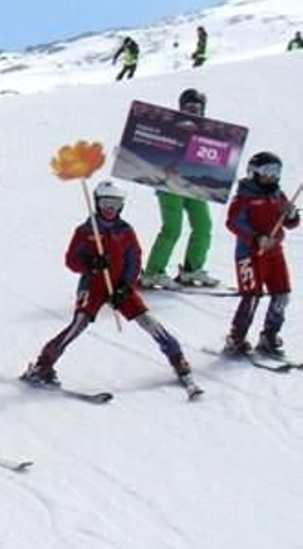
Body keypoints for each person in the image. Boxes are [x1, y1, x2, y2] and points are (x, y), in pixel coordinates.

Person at [21, 181, 197, 389]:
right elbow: (71, 261)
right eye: (106, 203)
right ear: (96, 203)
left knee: (148, 321)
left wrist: (126, 285)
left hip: (120, 286)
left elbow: (135, 259)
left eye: (115, 203)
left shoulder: (125, 231)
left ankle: (177, 359)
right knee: (78, 325)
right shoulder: (86, 231)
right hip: (93, 285)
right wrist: (91, 263)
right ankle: (43, 365)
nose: (110, 208)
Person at [140, 89, 219, 289]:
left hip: (193, 185)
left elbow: (214, 158)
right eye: (189, 107)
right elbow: (150, 148)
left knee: (203, 226)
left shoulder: (208, 132)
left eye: (197, 108)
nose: (193, 111)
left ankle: (192, 269)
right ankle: (153, 272)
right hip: (170, 185)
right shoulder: (170, 128)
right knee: (172, 229)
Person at [223, 151, 298, 358]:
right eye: (267, 171)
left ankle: (269, 336)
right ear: (253, 172)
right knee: (252, 297)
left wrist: (291, 215)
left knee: (281, 295)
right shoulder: (245, 197)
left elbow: (289, 223)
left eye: (277, 171)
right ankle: (236, 338)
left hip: (274, 253)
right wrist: (256, 238)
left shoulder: (277, 194)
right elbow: (233, 223)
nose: (273, 176)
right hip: (250, 254)